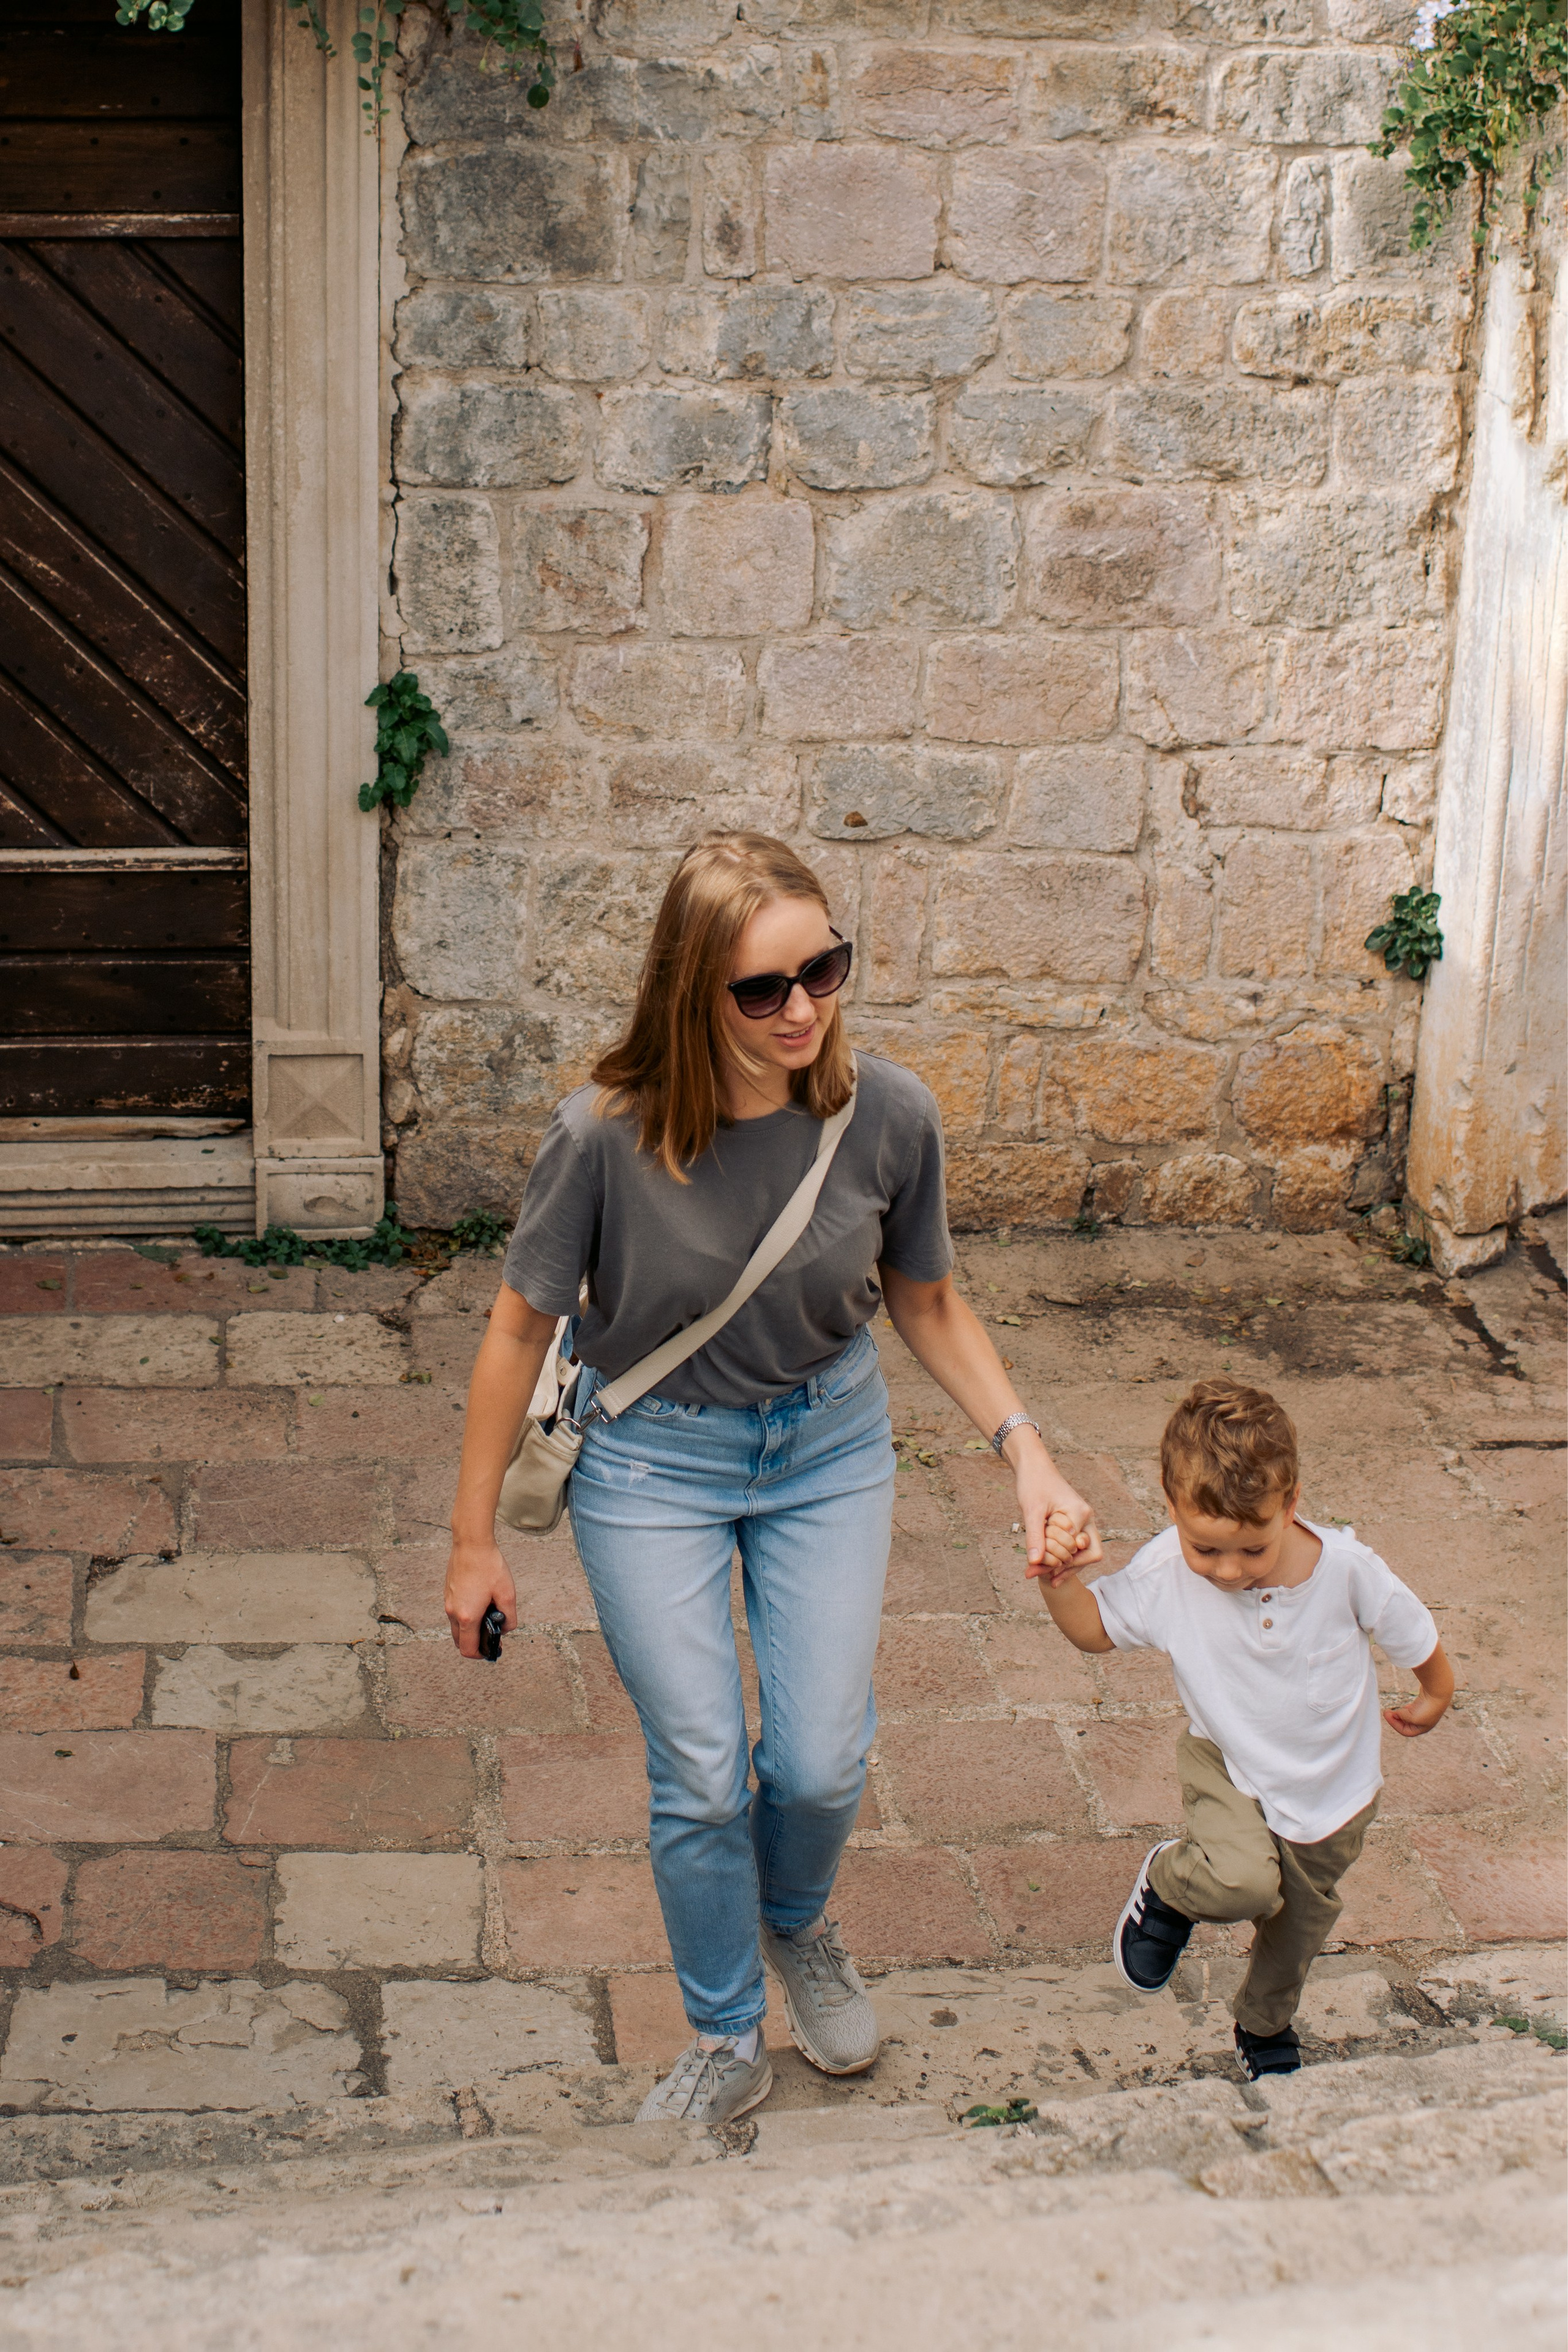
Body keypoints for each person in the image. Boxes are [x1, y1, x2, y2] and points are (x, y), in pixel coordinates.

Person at [443, 834, 1102, 2127]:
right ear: (692, 990)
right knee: (697, 1769)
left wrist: (1024, 1451)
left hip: (826, 1449)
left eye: (824, 970)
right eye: (762, 989)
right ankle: (727, 2028)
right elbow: (516, 1333)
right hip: (652, 1460)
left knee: (815, 1764)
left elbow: (926, 1298)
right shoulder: (600, 1138)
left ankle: (794, 1921)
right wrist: (475, 1543)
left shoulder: (887, 1115)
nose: (802, 1009)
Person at [1035, 1377, 1452, 2080]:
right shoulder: (1168, 1572)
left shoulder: (1344, 1568)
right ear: (1171, 1510)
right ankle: (1171, 1885)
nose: (1228, 1571)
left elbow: (1411, 1631)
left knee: (1294, 1935)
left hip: (1334, 1793)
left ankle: (1262, 2025)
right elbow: (1094, 1631)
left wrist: (1435, 1693)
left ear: (1289, 1506)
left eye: (1252, 1551)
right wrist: (1057, 1580)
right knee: (1243, 1885)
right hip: (1225, 1764)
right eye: (1206, 1550)